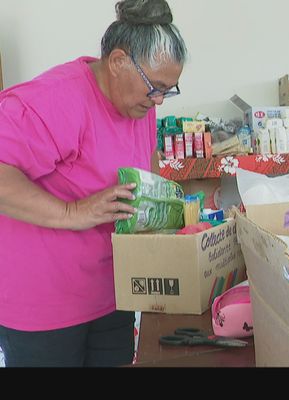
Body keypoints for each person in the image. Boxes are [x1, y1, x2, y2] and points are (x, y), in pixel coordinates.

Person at [0, 0, 187, 367]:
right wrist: (74, 211)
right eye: (155, 88)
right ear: (118, 62)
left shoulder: (139, 106)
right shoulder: (56, 98)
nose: (160, 100)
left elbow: (148, 171)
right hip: (44, 303)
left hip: (109, 292)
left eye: (169, 89)